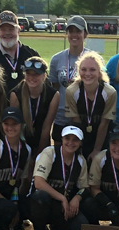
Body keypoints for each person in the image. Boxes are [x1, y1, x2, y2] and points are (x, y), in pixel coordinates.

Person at [28, 126, 90, 230]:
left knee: (79, 228)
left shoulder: (80, 161)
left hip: (63, 207)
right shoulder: (50, 153)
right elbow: (39, 182)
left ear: (80, 143)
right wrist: (62, 198)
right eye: (67, 138)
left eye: (75, 140)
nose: (70, 143)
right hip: (44, 204)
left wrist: (77, 198)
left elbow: (84, 187)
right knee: (41, 196)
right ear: (61, 139)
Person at [65, 52, 116, 161]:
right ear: (79, 71)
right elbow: (76, 122)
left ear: (99, 72)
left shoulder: (109, 92)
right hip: (80, 133)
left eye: (92, 70)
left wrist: (97, 150)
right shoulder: (72, 91)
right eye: (83, 69)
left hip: (102, 136)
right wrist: (80, 149)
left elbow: (104, 124)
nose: (87, 74)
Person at [50, 16, 93, 145]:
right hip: (61, 117)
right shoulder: (57, 59)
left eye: (78, 31)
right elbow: (55, 88)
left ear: (85, 34)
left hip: (84, 116)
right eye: (71, 31)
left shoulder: (93, 59)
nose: (74, 35)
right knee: (59, 156)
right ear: (67, 34)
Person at [0, 10, 40, 96]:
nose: (7, 33)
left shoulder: (31, 55)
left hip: (25, 107)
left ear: (18, 30)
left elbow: (45, 84)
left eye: (11, 29)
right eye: (3, 29)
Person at [9, 57, 59, 155]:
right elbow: (15, 126)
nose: (32, 77)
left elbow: (46, 127)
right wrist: (23, 153)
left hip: (42, 143)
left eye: (36, 74)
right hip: (21, 143)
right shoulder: (15, 94)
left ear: (44, 76)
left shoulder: (53, 95)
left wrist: (39, 155)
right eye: (28, 74)